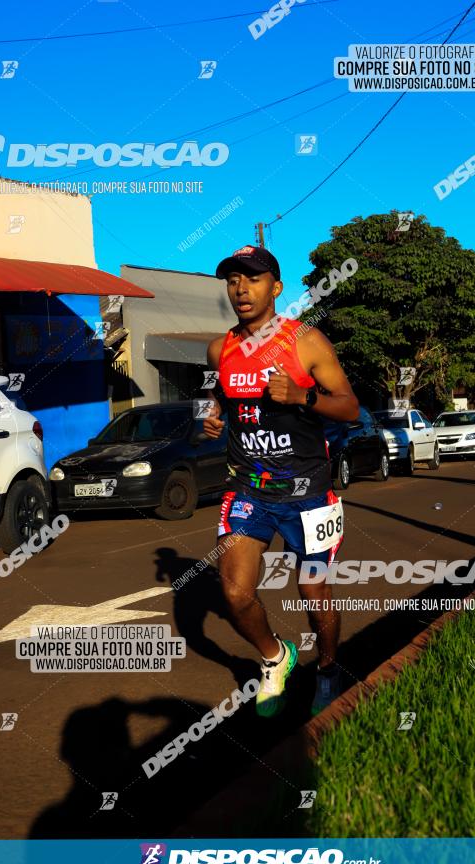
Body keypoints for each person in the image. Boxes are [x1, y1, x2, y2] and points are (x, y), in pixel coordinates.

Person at [203, 245, 359, 716]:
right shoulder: (220, 348)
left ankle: (328, 670)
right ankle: (276, 656)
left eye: (252, 279)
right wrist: (214, 415)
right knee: (234, 593)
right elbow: (221, 394)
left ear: (276, 287)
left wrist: (302, 397)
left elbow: (350, 408)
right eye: (232, 280)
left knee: (313, 589)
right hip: (248, 487)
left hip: (308, 492)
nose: (241, 289)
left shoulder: (305, 341)